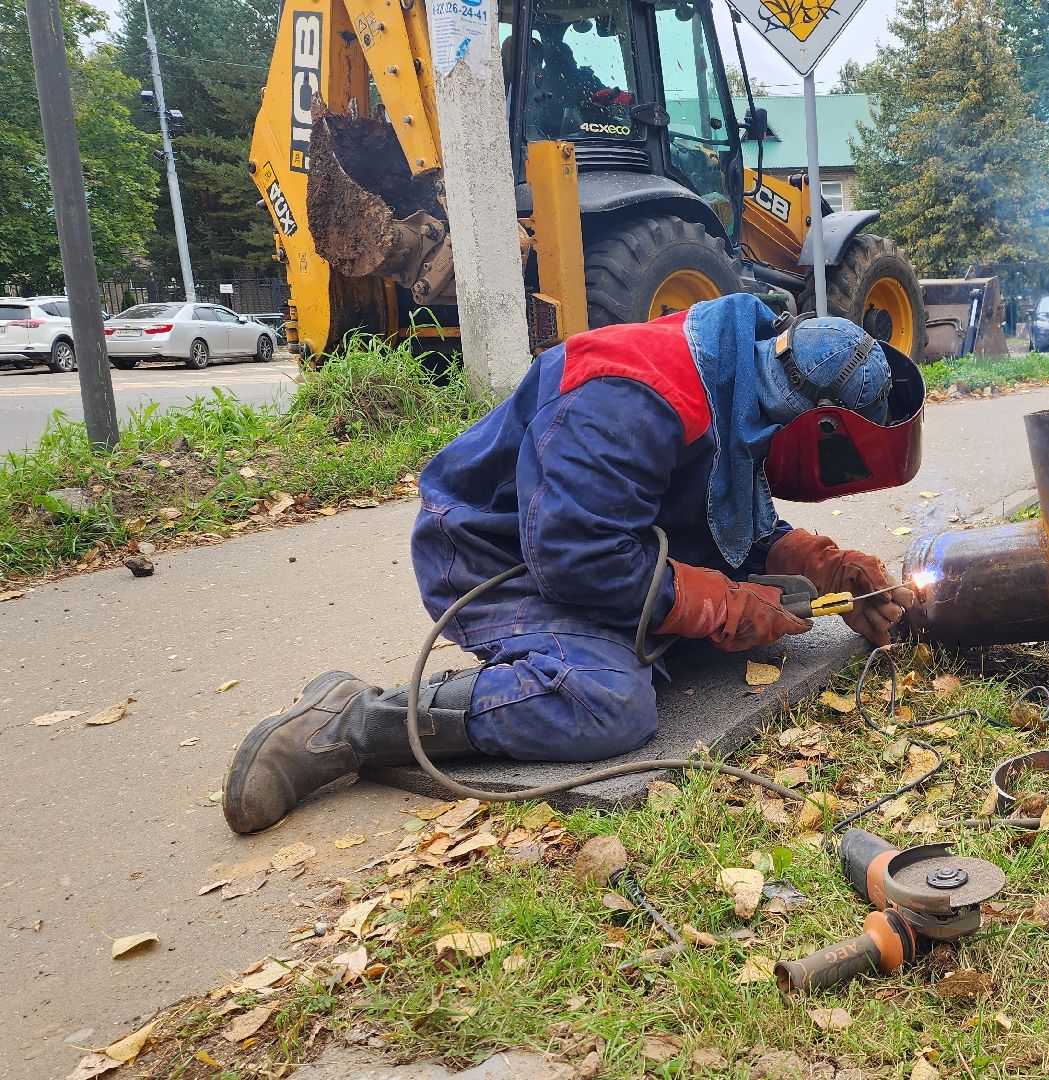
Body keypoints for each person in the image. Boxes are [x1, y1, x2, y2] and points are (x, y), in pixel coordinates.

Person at [223, 294, 923, 834]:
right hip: (498, 555)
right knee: (606, 702)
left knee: (769, 610)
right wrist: (718, 603)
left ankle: (625, 636)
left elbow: (724, 513)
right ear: (812, 421)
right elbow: (576, 555)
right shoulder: (637, 395)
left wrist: (823, 568)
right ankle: (356, 720)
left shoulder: (748, 375)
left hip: (605, 539)